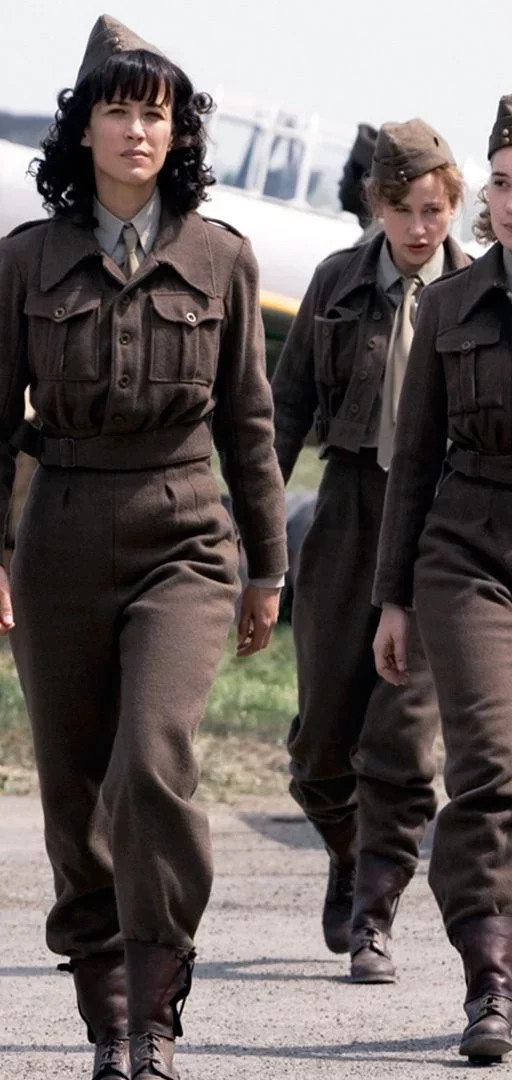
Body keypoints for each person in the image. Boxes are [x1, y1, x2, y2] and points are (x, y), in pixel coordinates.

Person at [0, 15, 287, 1080]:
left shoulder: (222, 256)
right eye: (118, 109)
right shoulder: (29, 257)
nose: (137, 130)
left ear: (178, 131)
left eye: (156, 113)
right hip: (57, 535)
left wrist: (269, 566)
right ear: (84, 127)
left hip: (183, 533)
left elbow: (250, 426)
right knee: (74, 788)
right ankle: (109, 1022)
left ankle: (156, 1009)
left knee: (150, 763)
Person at [270, 120, 470, 984]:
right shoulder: (335, 281)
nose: (419, 227)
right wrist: (254, 527)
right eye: (403, 208)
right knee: (320, 743)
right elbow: (284, 409)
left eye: (434, 209)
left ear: (454, 207)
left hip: (438, 520)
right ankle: (349, 854)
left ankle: (374, 917)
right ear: (375, 204)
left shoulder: (476, 291)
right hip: (348, 509)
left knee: (402, 741)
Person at [373, 94, 512, 1064]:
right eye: (503, 183)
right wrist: (394, 597)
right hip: (468, 556)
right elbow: (415, 459)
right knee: (489, 769)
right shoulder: (451, 306)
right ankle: (490, 981)